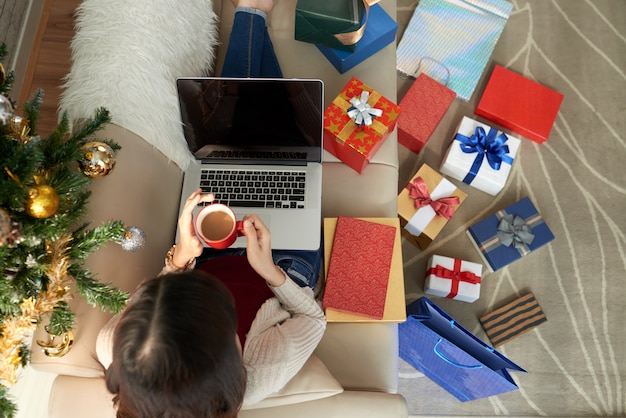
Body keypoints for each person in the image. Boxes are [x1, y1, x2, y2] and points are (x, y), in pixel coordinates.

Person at [96, 2, 326, 417]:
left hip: (207, 256)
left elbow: (155, 302)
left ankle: (251, 17)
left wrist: (180, 257)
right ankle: (252, 16)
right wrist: (270, 271)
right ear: (232, 368)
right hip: (282, 267)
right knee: (277, 148)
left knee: (225, 150)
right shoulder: (259, 372)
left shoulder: (122, 348)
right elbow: (313, 320)